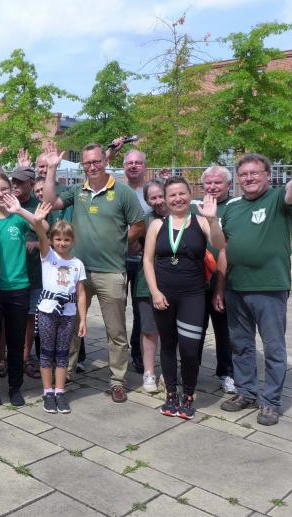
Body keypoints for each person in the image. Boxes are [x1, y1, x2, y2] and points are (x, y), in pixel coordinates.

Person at [219, 127, 292, 426]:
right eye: (244, 174)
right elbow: (224, 249)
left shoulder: (279, 199)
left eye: (255, 173)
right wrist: (220, 287)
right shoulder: (232, 208)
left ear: (268, 176)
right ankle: (246, 392)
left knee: (273, 348)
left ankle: (270, 401)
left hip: (269, 287)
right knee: (241, 345)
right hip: (236, 288)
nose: (249, 178)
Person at [43, 143, 145, 402]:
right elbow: (49, 202)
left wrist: (120, 245)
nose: (92, 166)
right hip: (78, 272)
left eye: (96, 161)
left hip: (111, 271)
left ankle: (118, 380)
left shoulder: (122, 192)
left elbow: (138, 225)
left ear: (105, 161)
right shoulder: (78, 191)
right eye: (87, 163)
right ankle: (66, 371)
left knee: (116, 331)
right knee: (71, 325)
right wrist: (52, 169)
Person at [143, 177, 225, 420]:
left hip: (193, 296)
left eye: (182, 193)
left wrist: (213, 220)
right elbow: (147, 260)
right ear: (165, 199)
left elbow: (220, 244)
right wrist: (155, 292)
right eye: (172, 195)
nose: (177, 199)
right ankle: (171, 394)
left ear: (190, 195)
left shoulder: (202, 221)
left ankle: (188, 394)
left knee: (189, 350)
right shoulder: (157, 225)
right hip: (163, 296)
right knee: (168, 346)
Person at [0, 173, 43, 407]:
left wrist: (20, 211)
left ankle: (15, 387)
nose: (0, 194)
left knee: (16, 342)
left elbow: (43, 227)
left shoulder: (18, 218)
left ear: (11, 190)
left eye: (4, 189)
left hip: (19, 287)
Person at [30, 205, 86, 414]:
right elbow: (40, 233)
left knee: (63, 354)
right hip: (47, 311)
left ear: (73, 241)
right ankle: (48, 392)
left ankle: (60, 391)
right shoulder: (48, 256)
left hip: (68, 314)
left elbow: (81, 294)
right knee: (46, 353)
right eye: (58, 239)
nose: (62, 243)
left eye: (66, 239)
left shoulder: (77, 264)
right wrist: (38, 221)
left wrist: (83, 319)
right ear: (52, 240)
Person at [191, 165, 236, 394]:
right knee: (194, 329)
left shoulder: (235, 207)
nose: (212, 186)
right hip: (196, 282)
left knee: (224, 331)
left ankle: (227, 373)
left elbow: (226, 248)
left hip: (223, 280)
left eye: (218, 182)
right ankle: (190, 371)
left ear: (229, 185)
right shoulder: (195, 207)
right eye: (208, 182)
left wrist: (220, 287)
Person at [135, 180, 167, 393]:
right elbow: (132, 245)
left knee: (171, 331)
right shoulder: (145, 221)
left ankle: (168, 371)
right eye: (152, 198)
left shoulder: (183, 217)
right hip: (147, 282)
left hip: (175, 282)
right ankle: (149, 372)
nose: (158, 201)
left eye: (160, 195)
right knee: (148, 329)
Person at [11, 166, 43, 381]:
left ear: (31, 184)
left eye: (20, 182)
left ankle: (25, 358)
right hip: (9, 273)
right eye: (13, 181)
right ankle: (3, 359)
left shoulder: (39, 206)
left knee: (30, 317)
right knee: (6, 318)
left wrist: (37, 244)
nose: (15, 185)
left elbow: (53, 236)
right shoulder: (5, 203)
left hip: (33, 273)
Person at [123, 150, 152, 375]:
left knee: (141, 310)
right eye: (129, 163)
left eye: (138, 163)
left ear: (145, 166)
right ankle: (118, 353)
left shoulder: (152, 191)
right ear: (124, 166)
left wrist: (144, 243)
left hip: (144, 261)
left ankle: (138, 354)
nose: (133, 166)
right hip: (119, 259)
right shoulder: (117, 189)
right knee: (116, 308)